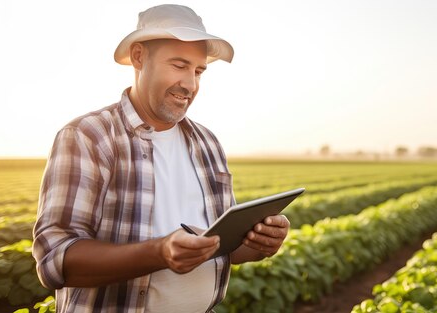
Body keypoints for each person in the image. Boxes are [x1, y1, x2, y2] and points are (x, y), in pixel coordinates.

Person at [32, 4, 290, 313]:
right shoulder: (89, 136)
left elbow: (220, 249)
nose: (190, 85)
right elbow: (56, 259)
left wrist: (258, 245)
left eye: (198, 71)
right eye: (178, 65)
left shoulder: (207, 143)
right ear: (139, 57)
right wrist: (159, 252)